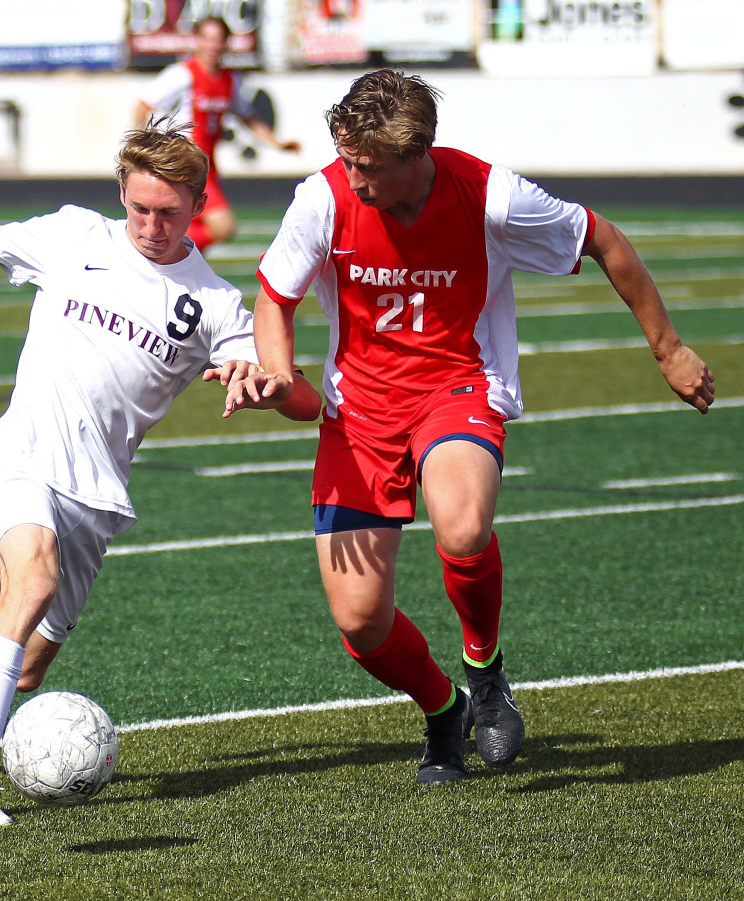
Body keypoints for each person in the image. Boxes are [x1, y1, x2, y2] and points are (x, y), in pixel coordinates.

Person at [0, 120, 321, 827]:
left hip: (98, 492)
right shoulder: (74, 235)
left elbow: (297, 394)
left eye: (170, 212)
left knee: (25, 667)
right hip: (23, 453)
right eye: (140, 207)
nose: (152, 224)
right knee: (34, 578)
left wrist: (271, 386)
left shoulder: (213, 304)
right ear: (121, 193)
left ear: (200, 204)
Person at [227, 70, 715, 784]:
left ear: (416, 153)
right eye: (347, 158)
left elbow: (603, 240)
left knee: (461, 527)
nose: (353, 176)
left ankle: (484, 671)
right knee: (361, 626)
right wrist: (275, 369)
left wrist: (669, 350)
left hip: (458, 388)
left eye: (369, 166)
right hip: (357, 413)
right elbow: (275, 297)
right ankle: (443, 708)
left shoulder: (491, 195)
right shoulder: (322, 199)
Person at [135, 16, 300, 254]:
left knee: (194, 233)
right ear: (197, 41)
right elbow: (142, 105)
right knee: (224, 225)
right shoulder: (183, 75)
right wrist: (143, 147)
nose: (213, 46)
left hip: (208, 167)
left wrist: (277, 143)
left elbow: (248, 116)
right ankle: (160, 248)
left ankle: (174, 260)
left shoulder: (230, 80)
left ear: (227, 43)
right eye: (208, 39)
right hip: (186, 166)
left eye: (219, 40)